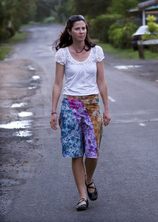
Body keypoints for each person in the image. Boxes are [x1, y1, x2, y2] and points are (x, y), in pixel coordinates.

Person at [50, 14, 111, 211]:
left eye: (83, 28)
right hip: (70, 106)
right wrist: (53, 111)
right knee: (76, 153)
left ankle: (89, 179)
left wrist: (106, 108)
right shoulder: (63, 54)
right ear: (70, 31)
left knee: (92, 152)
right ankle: (82, 196)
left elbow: (102, 82)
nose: (81, 31)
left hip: (92, 105)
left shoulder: (96, 52)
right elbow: (58, 84)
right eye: (77, 29)